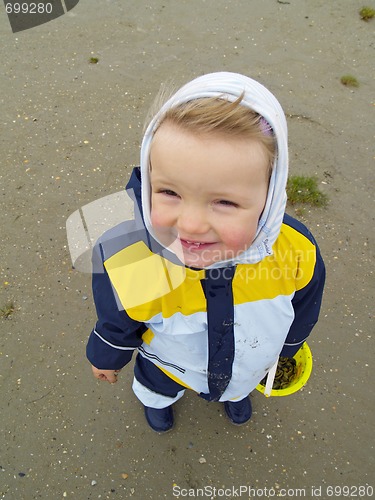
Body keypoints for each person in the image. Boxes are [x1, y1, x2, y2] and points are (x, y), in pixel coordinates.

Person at [86, 72, 325, 433]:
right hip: (171, 361)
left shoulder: (294, 249)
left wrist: (288, 349)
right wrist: (106, 355)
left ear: (270, 199)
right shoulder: (133, 254)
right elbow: (116, 316)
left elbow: (306, 303)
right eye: (169, 192)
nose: (192, 224)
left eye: (224, 201)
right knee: (159, 384)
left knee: (239, 379)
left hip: (250, 355)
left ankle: (235, 391)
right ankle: (158, 401)